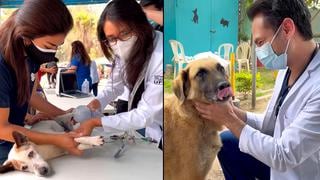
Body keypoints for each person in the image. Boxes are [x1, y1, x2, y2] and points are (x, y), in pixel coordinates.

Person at [195, 0, 320, 179]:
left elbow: (283, 155)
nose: (259, 51)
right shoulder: (287, 68)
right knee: (228, 142)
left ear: (286, 28)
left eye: (261, 42)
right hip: (277, 163)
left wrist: (228, 119)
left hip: (294, 170)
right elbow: (272, 125)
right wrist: (234, 112)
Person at [0, 0, 83, 164]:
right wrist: (56, 139)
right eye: (49, 45)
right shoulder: (2, 64)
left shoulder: (31, 56)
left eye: (58, 46)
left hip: (16, 137)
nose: (53, 53)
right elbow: (2, 129)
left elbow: (30, 94)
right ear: (26, 36)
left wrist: (63, 115)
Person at [75, 0, 163, 148]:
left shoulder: (161, 56)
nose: (119, 42)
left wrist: (97, 122)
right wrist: (97, 103)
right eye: (111, 38)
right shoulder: (122, 52)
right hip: (150, 129)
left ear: (141, 25)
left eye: (125, 33)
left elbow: (145, 113)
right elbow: (113, 87)